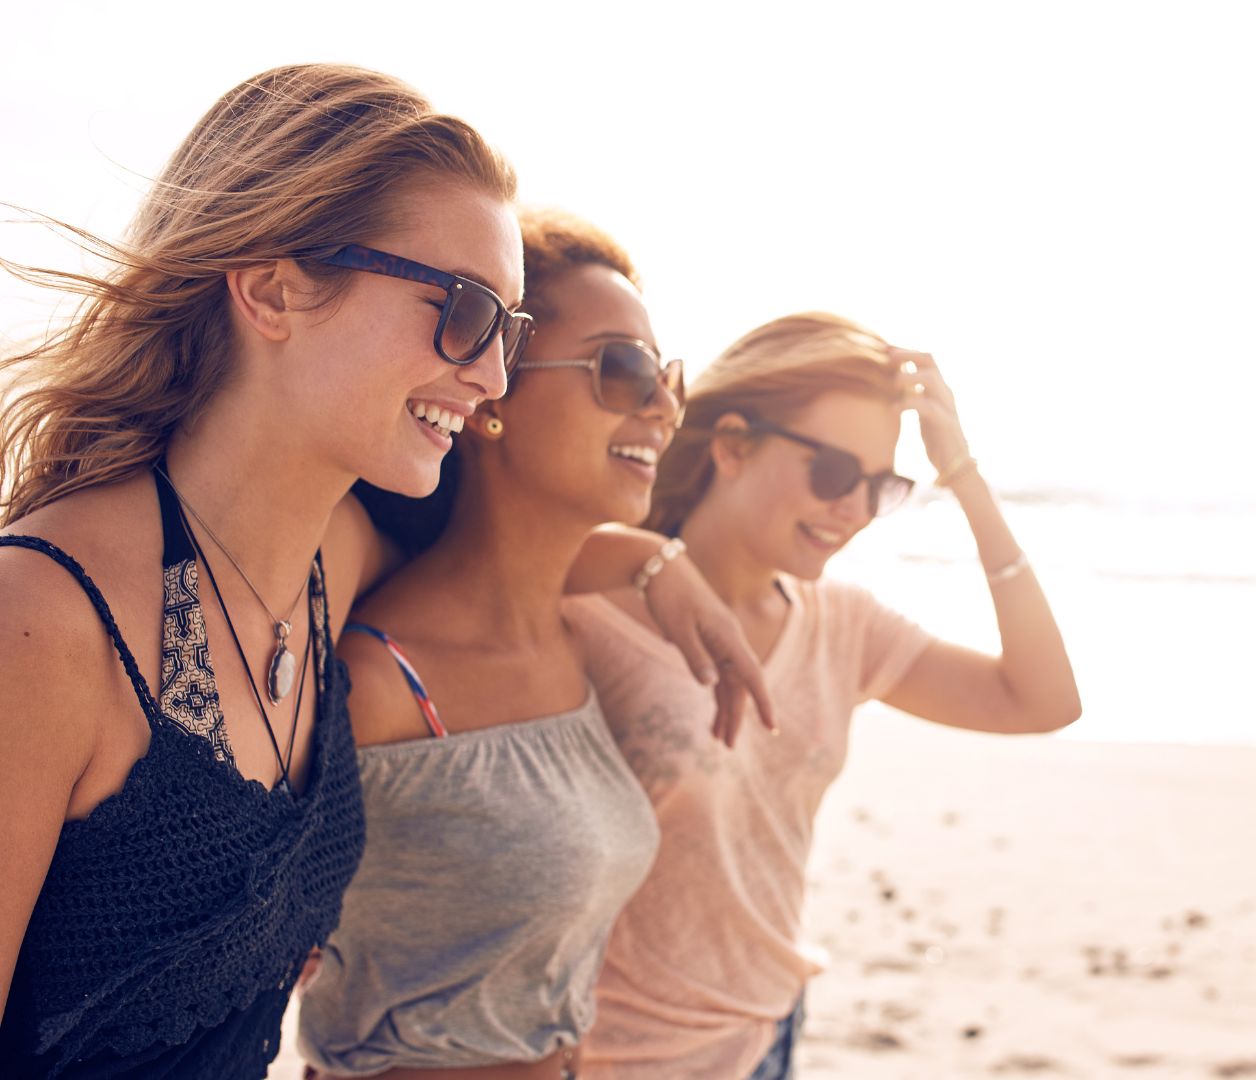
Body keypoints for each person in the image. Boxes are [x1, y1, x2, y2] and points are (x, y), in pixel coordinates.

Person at [0, 66, 758, 1080]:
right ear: (273, 287)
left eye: (512, 332)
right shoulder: (47, 617)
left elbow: (499, 559)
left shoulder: (333, 559)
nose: (492, 376)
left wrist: (661, 563)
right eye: (462, 310)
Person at [299, 208, 768, 1080]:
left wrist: (660, 560)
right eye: (621, 369)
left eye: (664, 374)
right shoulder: (379, 681)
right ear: (489, 394)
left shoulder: (573, 638)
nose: (665, 405)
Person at [568, 313, 1082, 1079]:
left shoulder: (843, 625)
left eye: (881, 487)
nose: (853, 510)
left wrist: (963, 476)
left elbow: (1040, 700)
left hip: (765, 1040)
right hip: (608, 1055)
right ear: (733, 445)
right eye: (836, 474)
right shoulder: (588, 613)